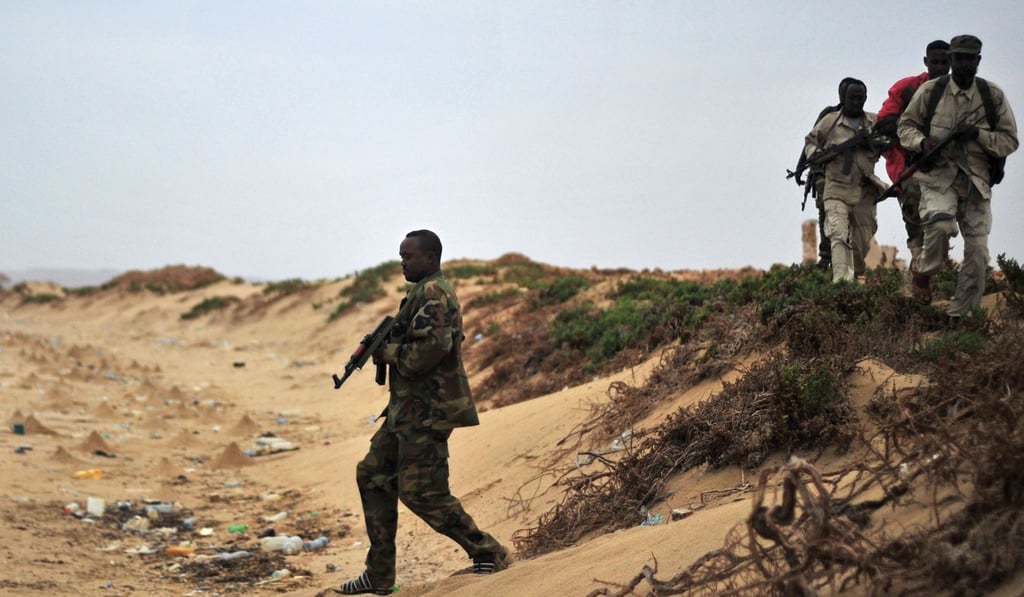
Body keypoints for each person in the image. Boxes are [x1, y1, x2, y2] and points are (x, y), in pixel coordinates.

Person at [337, 229, 508, 595]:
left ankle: (488, 551)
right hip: (406, 410)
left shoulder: (435, 294)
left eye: (409, 257)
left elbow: (429, 351)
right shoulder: (419, 293)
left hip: (429, 411)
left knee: (422, 492)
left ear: (431, 258)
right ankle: (379, 574)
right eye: (401, 256)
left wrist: (388, 353)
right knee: (372, 474)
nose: (403, 263)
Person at [897, 34, 1018, 321]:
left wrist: (979, 135)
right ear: (951, 60)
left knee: (977, 255)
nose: (964, 64)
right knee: (941, 225)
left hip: (976, 183)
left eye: (969, 59)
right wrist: (922, 143)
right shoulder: (931, 92)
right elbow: (906, 127)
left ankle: (958, 315)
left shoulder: (992, 96)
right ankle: (923, 272)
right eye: (959, 58)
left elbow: (1009, 140)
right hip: (939, 177)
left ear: (978, 61)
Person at [874, 40, 951, 271]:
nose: (939, 67)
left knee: (944, 221)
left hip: (947, 168)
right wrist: (916, 132)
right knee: (915, 217)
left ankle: (941, 267)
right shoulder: (907, 88)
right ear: (926, 62)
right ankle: (919, 266)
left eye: (944, 62)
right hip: (910, 167)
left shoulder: (959, 92)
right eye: (935, 62)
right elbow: (884, 122)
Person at [804, 79, 887, 282]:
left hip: (865, 191)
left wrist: (872, 143)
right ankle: (841, 283)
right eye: (852, 98)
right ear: (843, 98)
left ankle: (856, 275)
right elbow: (810, 143)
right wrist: (821, 154)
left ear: (865, 98)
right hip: (836, 189)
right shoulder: (830, 121)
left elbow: (889, 142)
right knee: (838, 234)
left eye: (860, 98)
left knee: (862, 242)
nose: (856, 102)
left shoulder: (874, 122)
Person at [793, 77, 859, 269]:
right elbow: (811, 141)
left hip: (850, 176)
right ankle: (826, 255)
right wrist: (800, 166)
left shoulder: (860, 119)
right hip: (823, 171)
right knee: (825, 210)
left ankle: (845, 255)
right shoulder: (829, 115)